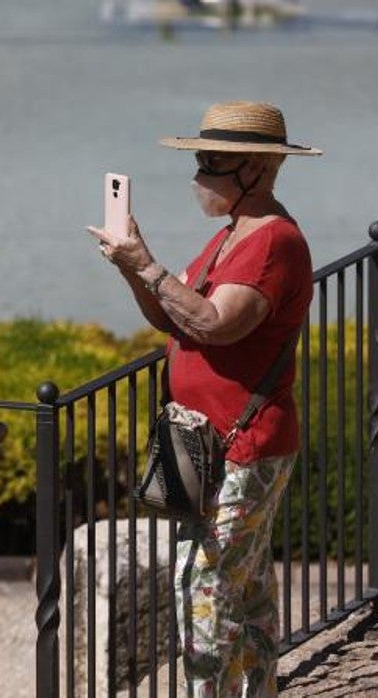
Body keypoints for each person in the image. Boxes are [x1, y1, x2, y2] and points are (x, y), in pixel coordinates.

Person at [86, 101, 318, 697]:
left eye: (213, 159)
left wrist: (151, 266)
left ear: (258, 168)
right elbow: (176, 319)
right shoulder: (231, 236)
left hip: (245, 444)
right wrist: (131, 268)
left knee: (204, 588)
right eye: (199, 156)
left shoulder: (274, 244)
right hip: (213, 443)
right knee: (246, 588)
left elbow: (217, 323)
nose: (199, 172)